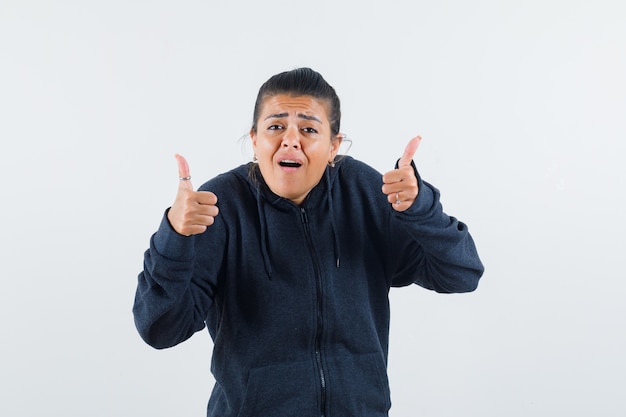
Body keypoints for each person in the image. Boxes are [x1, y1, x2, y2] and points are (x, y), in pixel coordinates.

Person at [133, 67, 484, 417]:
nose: (290, 140)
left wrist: (420, 208)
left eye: (308, 129)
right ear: (254, 140)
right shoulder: (216, 206)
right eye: (275, 127)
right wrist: (174, 237)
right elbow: (160, 328)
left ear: (333, 146)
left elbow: (461, 274)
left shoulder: (363, 192)